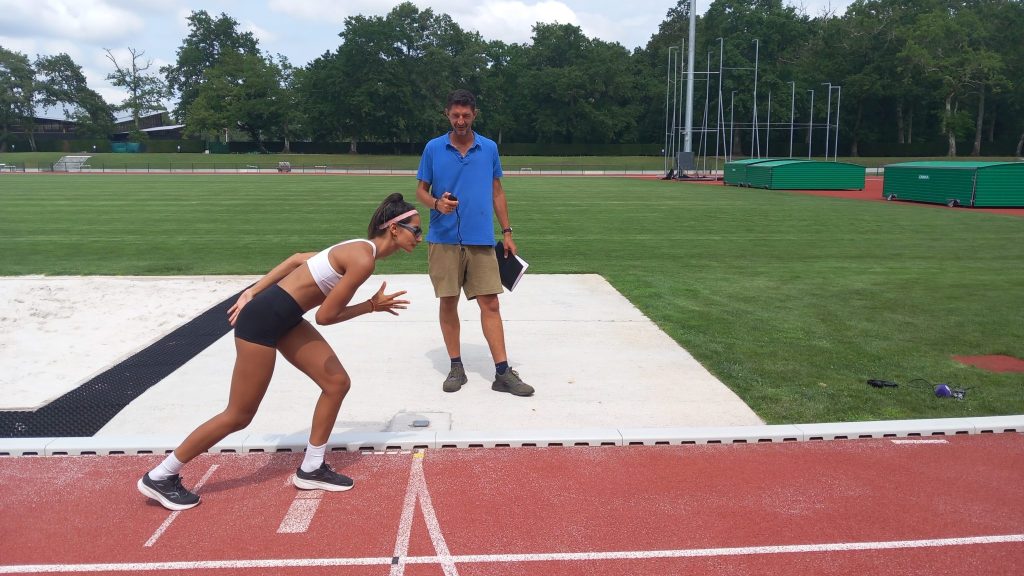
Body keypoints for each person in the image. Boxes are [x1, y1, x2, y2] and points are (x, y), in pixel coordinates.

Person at [137, 193, 422, 511]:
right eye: (416, 230)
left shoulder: (359, 248)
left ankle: (312, 467)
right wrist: (371, 306)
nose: (420, 239)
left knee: (336, 383)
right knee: (239, 415)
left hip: (283, 317)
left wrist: (253, 290)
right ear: (394, 229)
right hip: (262, 322)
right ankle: (161, 476)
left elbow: (297, 258)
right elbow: (325, 316)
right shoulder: (363, 259)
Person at [415, 89, 534, 397]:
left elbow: (497, 192)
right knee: (448, 301)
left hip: (481, 237)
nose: (460, 121)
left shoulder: (489, 148)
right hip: (443, 239)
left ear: (475, 115)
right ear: (447, 114)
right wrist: (436, 204)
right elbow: (421, 192)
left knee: (490, 303)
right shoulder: (433, 148)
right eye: (455, 115)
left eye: (466, 115)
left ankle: (503, 372)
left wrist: (507, 232)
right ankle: (456, 366)